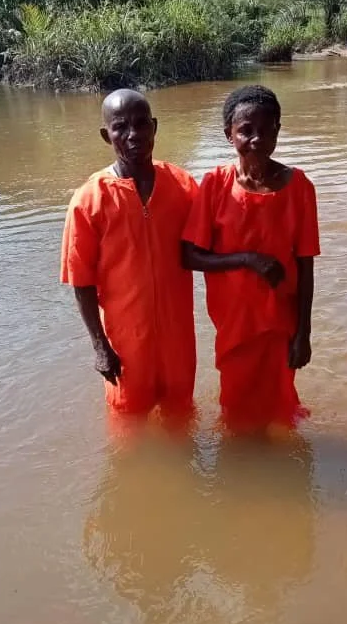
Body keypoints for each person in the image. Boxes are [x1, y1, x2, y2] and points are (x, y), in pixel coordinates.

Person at [182, 84, 320, 434]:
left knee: (280, 410)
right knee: (237, 413)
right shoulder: (215, 184)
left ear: (278, 130)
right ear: (229, 135)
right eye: (246, 130)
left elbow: (306, 265)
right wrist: (247, 259)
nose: (256, 139)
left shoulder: (300, 187)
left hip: (281, 323)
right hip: (235, 325)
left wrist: (303, 333)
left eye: (266, 129)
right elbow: (190, 255)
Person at [61, 88, 197, 423]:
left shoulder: (182, 185)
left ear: (154, 127)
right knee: (127, 428)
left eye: (141, 123)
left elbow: (211, 244)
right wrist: (100, 347)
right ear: (106, 135)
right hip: (126, 344)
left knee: (181, 419)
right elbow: (81, 282)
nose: (133, 134)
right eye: (120, 127)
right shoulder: (89, 200)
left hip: (178, 338)